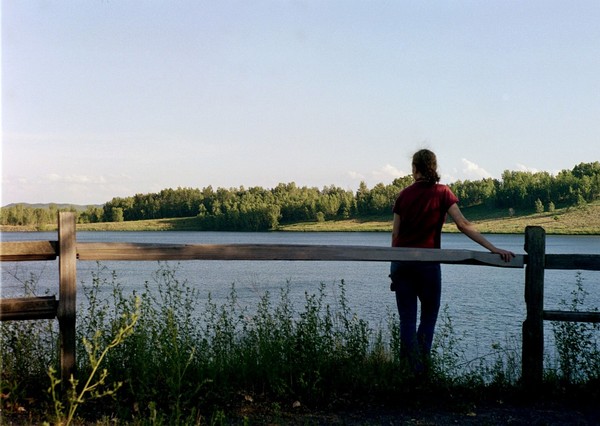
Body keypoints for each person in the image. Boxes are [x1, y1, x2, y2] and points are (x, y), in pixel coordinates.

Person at [390, 149, 515, 376]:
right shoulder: (443, 193)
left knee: (407, 321)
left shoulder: (403, 195)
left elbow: (395, 236)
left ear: (414, 169)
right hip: (428, 265)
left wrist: (395, 266)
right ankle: (420, 373)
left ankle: (405, 374)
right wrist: (493, 249)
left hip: (402, 263)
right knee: (428, 317)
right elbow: (463, 224)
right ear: (434, 167)